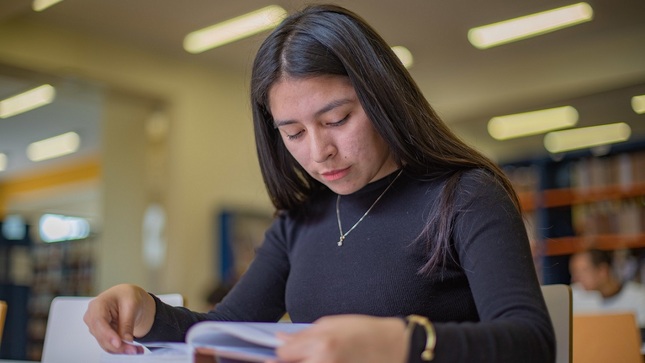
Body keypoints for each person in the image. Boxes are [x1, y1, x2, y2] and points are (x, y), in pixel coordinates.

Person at [83, 4, 555, 362]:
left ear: (383, 98)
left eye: (337, 119)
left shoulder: (466, 195)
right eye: (292, 133)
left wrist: (399, 342)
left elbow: (530, 339)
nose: (317, 152)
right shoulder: (300, 218)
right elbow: (224, 328)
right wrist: (147, 312)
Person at [569, 248, 645, 328]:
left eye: (583, 271)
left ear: (602, 270)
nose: (576, 278)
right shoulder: (574, 295)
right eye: (574, 273)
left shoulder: (639, 298)